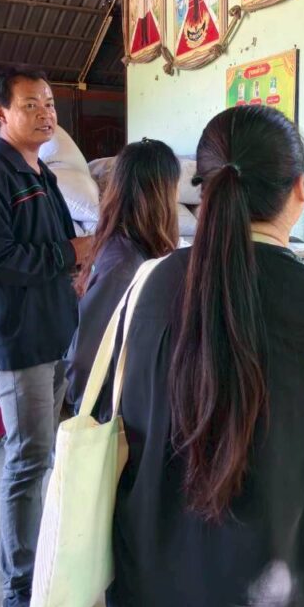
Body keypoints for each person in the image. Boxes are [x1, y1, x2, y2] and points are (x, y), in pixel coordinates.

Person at [107, 106, 304, 607]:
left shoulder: (149, 283)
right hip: (277, 589)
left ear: (205, 189)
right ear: (299, 188)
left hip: (146, 579)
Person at [0, 66, 93, 607]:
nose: (44, 113)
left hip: (51, 328)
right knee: (28, 458)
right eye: (30, 104)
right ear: (1, 113)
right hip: (18, 337)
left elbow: (53, 245)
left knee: (45, 452)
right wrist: (68, 254)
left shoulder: (41, 174)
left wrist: (76, 266)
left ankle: (38, 552)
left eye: (50, 103)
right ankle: (20, 582)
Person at [66, 139, 182, 413]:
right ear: (162, 194)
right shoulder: (124, 264)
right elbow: (85, 357)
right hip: (115, 411)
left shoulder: (130, 248)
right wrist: (89, 416)